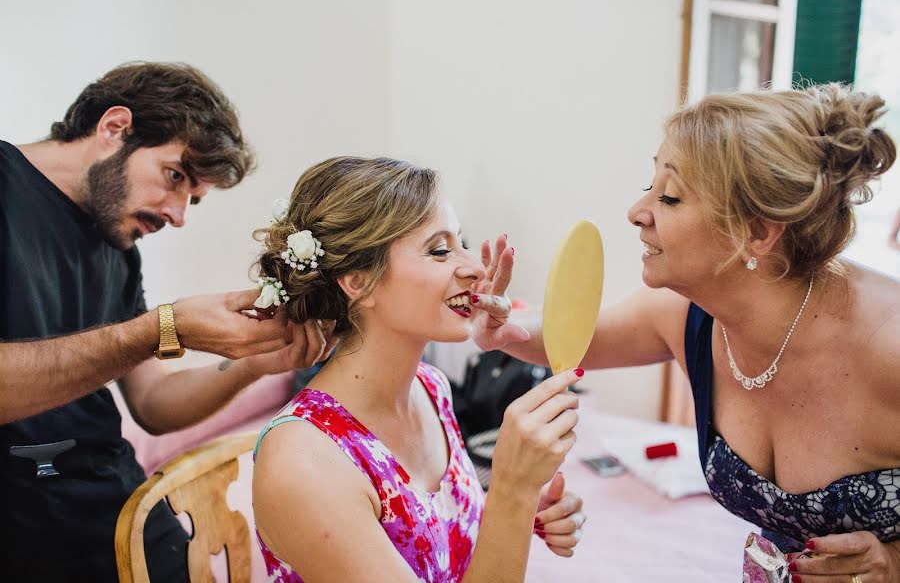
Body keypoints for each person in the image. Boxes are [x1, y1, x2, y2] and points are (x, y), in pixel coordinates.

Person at [476, 84, 900, 581]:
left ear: (758, 232)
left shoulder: (887, 345)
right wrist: (501, 329)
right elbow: (571, 337)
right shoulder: (686, 316)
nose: (636, 212)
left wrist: (893, 563)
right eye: (649, 184)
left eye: (670, 196)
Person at [0, 62, 333, 581]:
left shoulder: (119, 246)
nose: (178, 215)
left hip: (123, 508)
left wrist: (253, 364)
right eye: (175, 176)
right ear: (113, 128)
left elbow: (152, 404)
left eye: (193, 198)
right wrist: (159, 328)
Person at [251, 157, 586, 582]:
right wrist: (512, 493)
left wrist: (522, 513)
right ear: (358, 282)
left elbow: (442, 538)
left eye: (460, 243)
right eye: (440, 250)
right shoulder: (304, 462)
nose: (477, 269)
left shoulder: (431, 388)